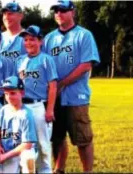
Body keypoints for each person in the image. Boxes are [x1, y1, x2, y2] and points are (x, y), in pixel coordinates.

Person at [42, 1, 100, 173]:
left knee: (83, 138)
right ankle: (59, 169)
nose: (59, 13)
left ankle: (87, 171)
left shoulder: (84, 35)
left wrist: (61, 83)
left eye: (63, 10)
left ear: (72, 12)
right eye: (56, 11)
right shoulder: (49, 39)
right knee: (57, 137)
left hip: (76, 96)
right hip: (55, 97)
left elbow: (86, 64)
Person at [17, 25, 58, 173]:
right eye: (26, 40)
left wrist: (50, 109)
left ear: (40, 41)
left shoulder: (46, 59)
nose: (28, 43)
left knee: (43, 145)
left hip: (38, 105)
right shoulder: (20, 60)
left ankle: (45, 170)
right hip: (22, 107)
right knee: (25, 142)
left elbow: (53, 86)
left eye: (32, 39)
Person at [0, 76, 38, 173]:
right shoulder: (3, 110)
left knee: (28, 158)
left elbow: (27, 145)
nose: (9, 97)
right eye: (6, 94)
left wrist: (5, 156)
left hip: (23, 150)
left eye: (13, 93)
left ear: (22, 93)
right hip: (9, 151)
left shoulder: (26, 114)